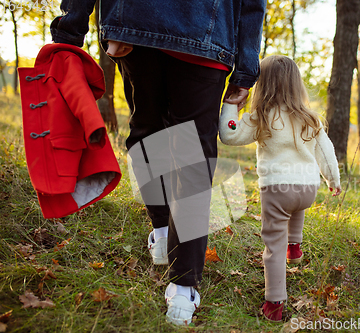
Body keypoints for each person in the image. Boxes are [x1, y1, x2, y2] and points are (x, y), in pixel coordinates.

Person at [50, 0, 265, 326]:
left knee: (147, 132)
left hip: (137, 22)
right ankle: (183, 286)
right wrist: (246, 66)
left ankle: (163, 233)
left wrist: (70, 29)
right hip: (206, 33)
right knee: (192, 158)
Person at [219, 55, 342, 321]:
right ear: (297, 85)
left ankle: (274, 303)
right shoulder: (311, 118)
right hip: (308, 189)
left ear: (263, 85)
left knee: (272, 244)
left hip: (277, 190)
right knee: (295, 206)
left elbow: (229, 135)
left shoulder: (261, 116)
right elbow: (326, 153)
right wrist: (334, 180)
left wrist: (230, 105)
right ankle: (295, 246)